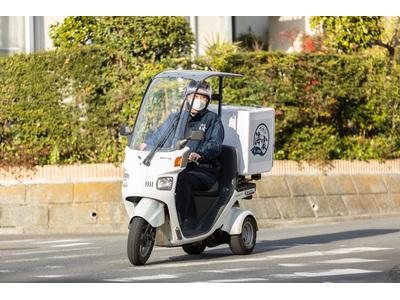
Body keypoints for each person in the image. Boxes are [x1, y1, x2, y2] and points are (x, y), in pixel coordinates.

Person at [175, 81, 224, 226]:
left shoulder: (212, 119)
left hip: (203, 169)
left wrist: (200, 154)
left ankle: (180, 220)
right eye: (197, 96)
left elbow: (215, 144)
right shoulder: (177, 118)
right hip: (177, 166)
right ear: (188, 97)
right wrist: (146, 143)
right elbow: (161, 134)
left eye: (204, 98)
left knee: (182, 180)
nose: (200, 101)